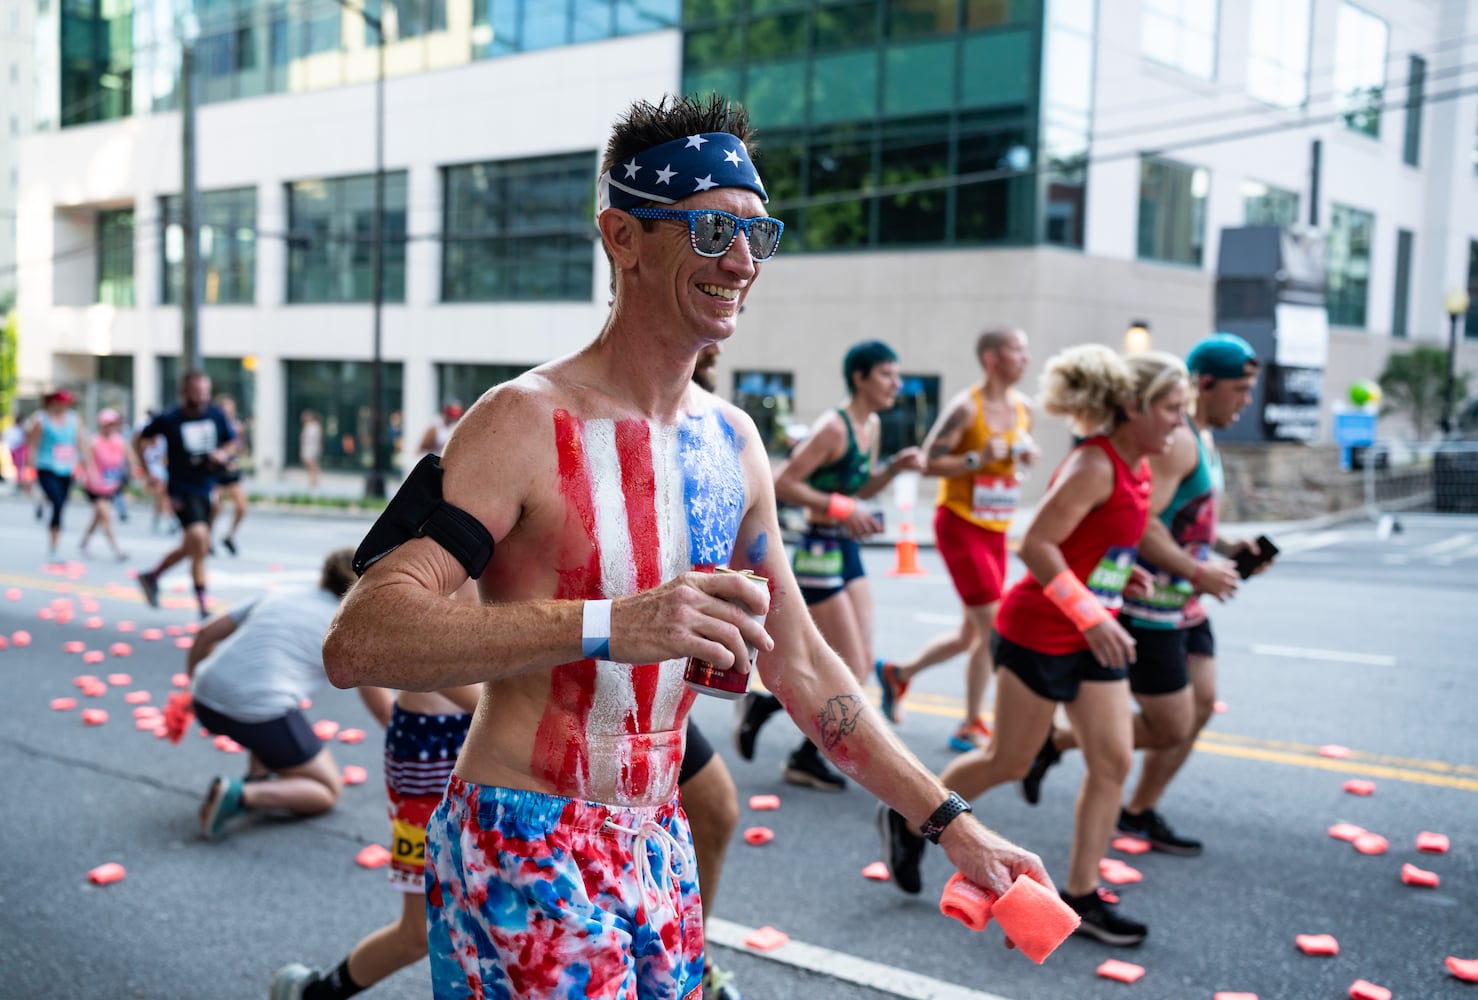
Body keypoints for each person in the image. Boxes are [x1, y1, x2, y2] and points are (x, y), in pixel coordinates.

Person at [323, 94, 1047, 1000]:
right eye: (710, 230)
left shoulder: (734, 441)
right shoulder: (518, 421)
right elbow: (363, 641)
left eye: (758, 233)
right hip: (524, 833)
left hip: (657, 839)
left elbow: (805, 666)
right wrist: (608, 623)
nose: (742, 261)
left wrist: (952, 824)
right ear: (622, 235)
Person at [878, 345, 1189, 948]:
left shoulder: (1141, 466)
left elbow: (1090, 542)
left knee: (1113, 761)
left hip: (1094, 636)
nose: (1181, 421)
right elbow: (1038, 543)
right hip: (1040, 634)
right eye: (1173, 408)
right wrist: (1091, 611)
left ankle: (1081, 894)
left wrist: (1121, 571)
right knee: (1009, 761)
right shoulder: (1094, 465)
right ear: (1133, 407)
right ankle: (908, 812)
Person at [1022, 333, 1269, 856]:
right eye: (1240, 389)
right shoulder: (1172, 441)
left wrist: (1225, 546)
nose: (1247, 401)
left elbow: (1181, 516)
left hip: (1184, 602)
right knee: (1167, 725)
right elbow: (1141, 523)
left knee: (1196, 711)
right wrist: (1194, 571)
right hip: (1151, 605)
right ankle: (1060, 751)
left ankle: (1134, 809)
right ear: (1205, 385)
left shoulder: (1197, 436)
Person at [733, 340, 923, 792]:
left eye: (896, 375)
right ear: (860, 378)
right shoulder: (833, 429)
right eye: (886, 375)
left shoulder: (870, 425)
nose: (896, 384)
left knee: (856, 665)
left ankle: (766, 708)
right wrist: (841, 509)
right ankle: (800, 753)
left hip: (846, 548)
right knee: (851, 664)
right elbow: (784, 483)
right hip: (819, 548)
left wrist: (894, 470)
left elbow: (859, 488)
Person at [875, 328, 1039, 752]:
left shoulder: (1024, 408)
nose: (1026, 357)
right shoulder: (967, 407)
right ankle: (973, 723)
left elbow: (1014, 465)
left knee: (972, 634)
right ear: (992, 358)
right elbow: (927, 463)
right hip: (961, 523)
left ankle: (899, 673)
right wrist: (973, 460)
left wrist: (1024, 459)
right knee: (994, 625)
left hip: (997, 526)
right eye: (1017, 349)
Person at [190, 548, 360, 840]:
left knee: (271, 701)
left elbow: (205, 633)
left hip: (204, 699)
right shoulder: (348, 627)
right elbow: (382, 709)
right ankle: (239, 794)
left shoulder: (284, 593)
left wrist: (190, 684)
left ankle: (258, 777)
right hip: (255, 713)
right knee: (326, 790)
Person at [133, 371, 238, 618]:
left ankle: (152, 576)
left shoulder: (215, 414)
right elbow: (139, 439)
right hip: (181, 488)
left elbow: (232, 442)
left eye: (205, 391)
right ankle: (202, 606)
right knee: (199, 538)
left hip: (208, 487)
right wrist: (147, 470)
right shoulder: (170, 418)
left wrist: (222, 454)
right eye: (196, 392)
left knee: (196, 547)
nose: (201, 397)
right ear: (184, 392)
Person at [26, 389, 88, 562]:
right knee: (57, 501)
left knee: (60, 506)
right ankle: (44, 499)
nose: (65, 405)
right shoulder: (41, 420)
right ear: (53, 403)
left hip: (66, 469)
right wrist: (28, 472)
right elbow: (32, 446)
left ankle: (54, 547)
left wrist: (87, 466)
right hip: (46, 467)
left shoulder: (74, 419)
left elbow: (81, 442)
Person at [78, 408, 133, 560]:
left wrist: (135, 470)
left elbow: (130, 457)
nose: (112, 427)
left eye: (114, 424)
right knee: (106, 515)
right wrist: (93, 477)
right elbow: (87, 462)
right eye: (108, 424)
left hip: (111, 485)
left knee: (98, 517)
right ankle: (116, 548)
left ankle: (84, 542)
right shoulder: (94, 441)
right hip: (94, 486)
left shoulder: (119, 440)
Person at [210, 394, 250, 555]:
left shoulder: (236, 427)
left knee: (242, 508)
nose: (229, 413)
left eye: (231, 410)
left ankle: (229, 536)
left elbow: (242, 449)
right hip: (216, 472)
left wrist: (237, 454)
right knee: (216, 508)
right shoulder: (213, 426)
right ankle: (208, 538)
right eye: (225, 410)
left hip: (232, 471)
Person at [300, 410, 324, 492]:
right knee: (309, 463)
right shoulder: (307, 426)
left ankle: (314, 480)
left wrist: (318, 447)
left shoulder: (315, 426)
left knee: (312, 463)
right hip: (307, 447)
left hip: (312, 447)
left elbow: (317, 438)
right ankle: (312, 479)